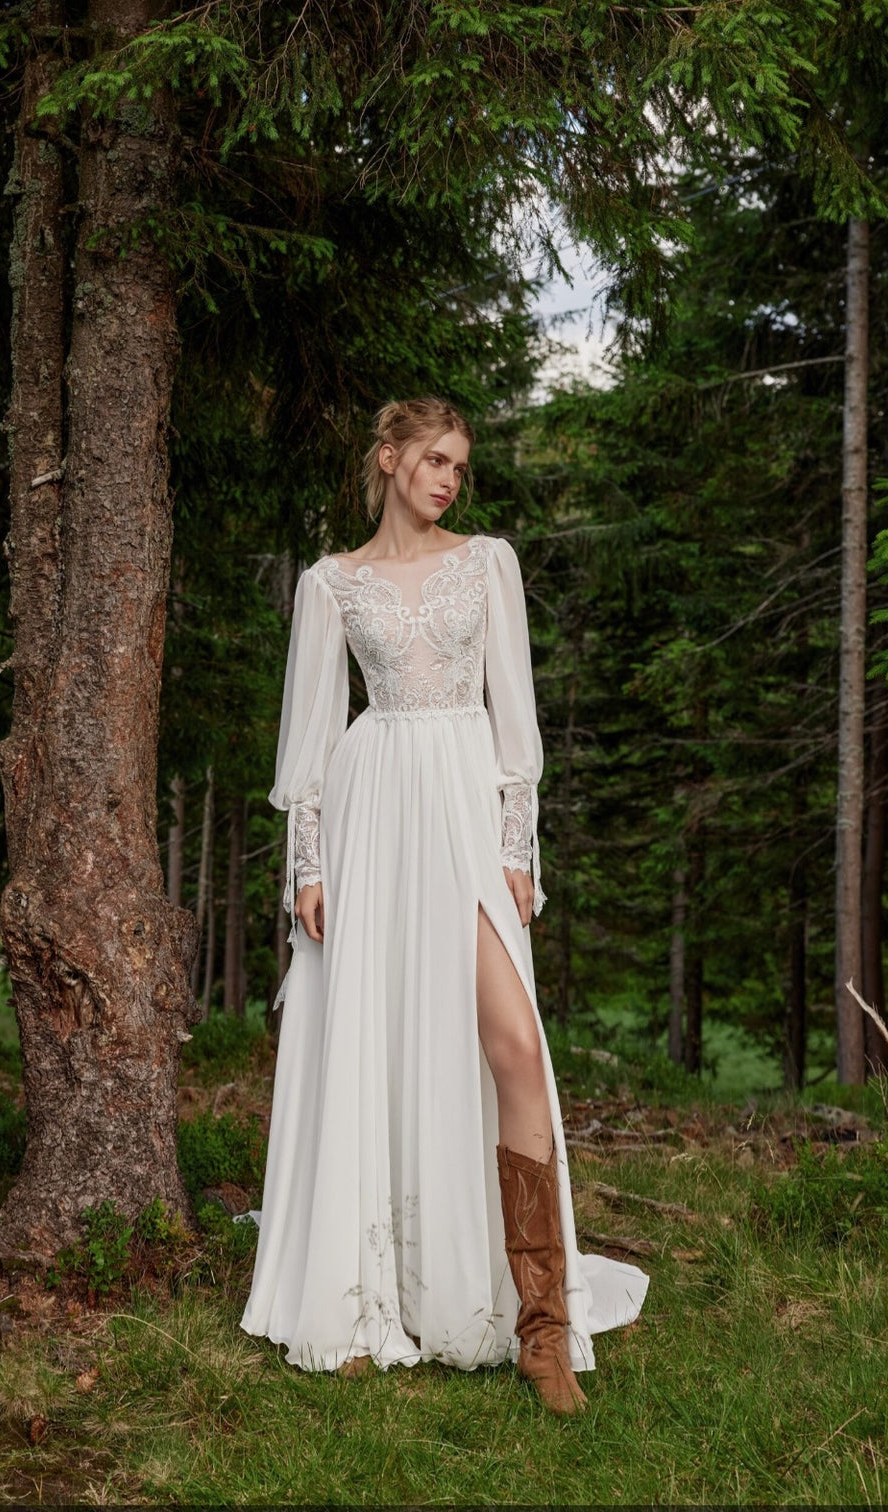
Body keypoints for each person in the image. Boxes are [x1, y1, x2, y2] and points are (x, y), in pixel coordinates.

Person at [241, 396, 648, 1412]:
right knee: (367, 1047)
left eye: (458, 467)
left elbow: (516, 722)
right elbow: (307, 748)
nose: (448, 481)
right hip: (373, 812)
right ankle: (359, 1295)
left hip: (465, 814)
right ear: (387, 460)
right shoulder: (329, 584)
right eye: (433, 461)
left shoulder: (488, 564)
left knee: (511, 1043)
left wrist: (516, 847)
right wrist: (308, 868)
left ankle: (542, 1325)